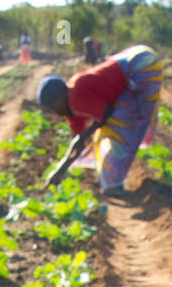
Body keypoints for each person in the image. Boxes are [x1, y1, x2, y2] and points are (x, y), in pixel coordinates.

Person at [37, 43, 164, 195]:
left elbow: (106, 114)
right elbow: (78, 143)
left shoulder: (76, 95)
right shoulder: (70, 109)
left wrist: (83, 138)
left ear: (61, 98)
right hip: (136, 60)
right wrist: (60, 169)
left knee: (122, 128)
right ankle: (112, 181)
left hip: (141, 65)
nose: (55, 112)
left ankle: (113, 184)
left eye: (53, 106)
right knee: (111, 130)